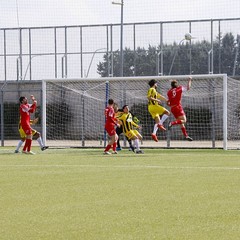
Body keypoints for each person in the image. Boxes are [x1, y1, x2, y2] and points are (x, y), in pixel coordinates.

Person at [167, 76, 193, 141]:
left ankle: (186, 135)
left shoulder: (169, 92)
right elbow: (188, 88)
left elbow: (168, 102)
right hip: (178, 107)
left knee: (181, 122)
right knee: (184, 120)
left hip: (172, 108)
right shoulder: (179, 88)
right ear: (176, 84)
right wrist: (190, 80)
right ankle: (172, 123)